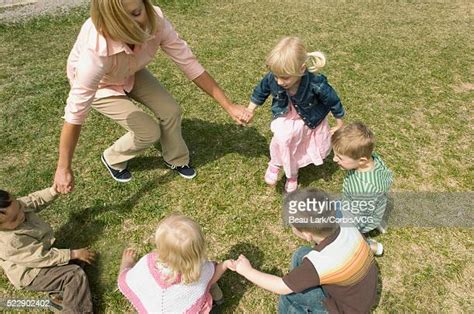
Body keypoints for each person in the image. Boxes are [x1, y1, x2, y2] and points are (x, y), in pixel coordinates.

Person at [54, 0, 251, 191]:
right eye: (123, 21)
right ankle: (112, 158)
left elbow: (189, 64)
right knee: (148, 132)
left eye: (137, 12)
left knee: (171, 110)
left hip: (130, 70)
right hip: (102, 85)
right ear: (109, 22)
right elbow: (75, 114)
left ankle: (176, 159)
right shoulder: (94, 53)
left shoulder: (156, 20)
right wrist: (63, 168)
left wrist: (229, 105)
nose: (136, 25)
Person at [230, 188, 378, 313]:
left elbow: (280, 287)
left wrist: (247, 271)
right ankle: (297, 280)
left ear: (307, 234)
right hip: (361, 294)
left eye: (293, 225)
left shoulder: (320, 262)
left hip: (345, 309)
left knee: (290, 295)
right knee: (301, 254)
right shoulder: (345, 219)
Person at [246, 37, 345, 193]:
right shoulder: (273, 78)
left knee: (296, 145)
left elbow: (333, 101)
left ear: (301, 69)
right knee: (282, 139)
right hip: (285, 116)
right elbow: (261, 91)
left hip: (308, 119)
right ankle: (276, 163)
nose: (279, 82)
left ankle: (292, 175)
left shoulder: (316, 83)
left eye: (285, 77)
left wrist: (340, 123)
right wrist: (250, 109)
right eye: (276, 76)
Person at [0, 187, 95, 312]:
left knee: (77, 261)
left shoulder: (16, 207)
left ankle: (59, 299)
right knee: (73, 275)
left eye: (19, 206)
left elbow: (34, 200)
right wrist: (72, 253)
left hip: (40, 257)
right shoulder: (10, 243)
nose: (22, 214)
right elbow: (40, 257)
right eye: (14, 219)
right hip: (31, 273)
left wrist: (54, 191)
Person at [118, 213, 234, 313]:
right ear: (199, 250)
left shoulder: (148, 263)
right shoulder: (200, 271)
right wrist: (224, 265)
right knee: (208, 286)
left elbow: (124, 279)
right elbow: (211, 278)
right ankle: (219, 300)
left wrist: (127, 263)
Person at [331, 122, 393, 256]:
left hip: (360, 216)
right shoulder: (371, 158)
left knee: (342, 236)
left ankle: (370, 247)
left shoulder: (364, 190)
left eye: (340, 157)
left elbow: (358, 218)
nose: (334, 159)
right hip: (372, 206)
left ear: (362, 160)